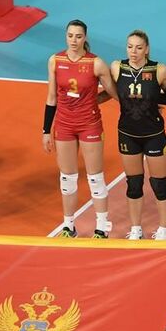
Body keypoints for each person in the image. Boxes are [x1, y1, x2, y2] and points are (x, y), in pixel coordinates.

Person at [42, 20, 116, 238]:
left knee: (95, 177)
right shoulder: (55, 60)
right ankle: (68, 226)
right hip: (64, 125)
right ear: (66, 36)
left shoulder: (96, 63)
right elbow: (52, 97)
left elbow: (113, 92)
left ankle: (102, 227)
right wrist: (46, 130)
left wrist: (95, 100)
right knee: (67, 178)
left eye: (78, 36)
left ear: (85, 38)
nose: (74, 40)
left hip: (89, 124)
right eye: (70, 36)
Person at [112, 29, 166, 240]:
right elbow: (111, 92)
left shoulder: (159, 70)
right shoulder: (117, 67)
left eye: (139, 48)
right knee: (134, 184)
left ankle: (164, 230)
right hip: (127, 134)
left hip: (153, 134)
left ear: (146, 49)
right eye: (130, 47)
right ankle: (136, 229)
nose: (133, 51)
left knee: (159, 183)